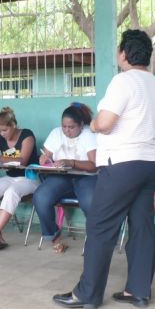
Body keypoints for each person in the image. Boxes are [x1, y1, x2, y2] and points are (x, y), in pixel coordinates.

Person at [53, 29, 155, 309]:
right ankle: (138, 291)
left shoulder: (123, 81)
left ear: (124, 54)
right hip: (149, 163)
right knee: (142, 226)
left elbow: (104, 123)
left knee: (101, 227)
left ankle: (86, 294)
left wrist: (92, 124)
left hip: (121, 164)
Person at [32, 103, 97, 253]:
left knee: (90, 202)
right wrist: (44, 159)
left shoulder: (89, 134)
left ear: (81, 125)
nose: (67, 131)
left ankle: (96, 239)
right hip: (62, 177)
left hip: (87, 177)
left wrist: (71, 162)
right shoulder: (56, 133)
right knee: (41, 197)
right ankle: (53, 236)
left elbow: (94, 165)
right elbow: (46, 154)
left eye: (71, 127)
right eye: (64, 127)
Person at [0, 107, 39, 252]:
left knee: (11, 192)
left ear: (13, 125)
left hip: (29, 178)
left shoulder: (27, 135)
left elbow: (23, 161)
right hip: (11, 178)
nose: (2, 134)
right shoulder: (0, 139)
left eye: (5, 130)